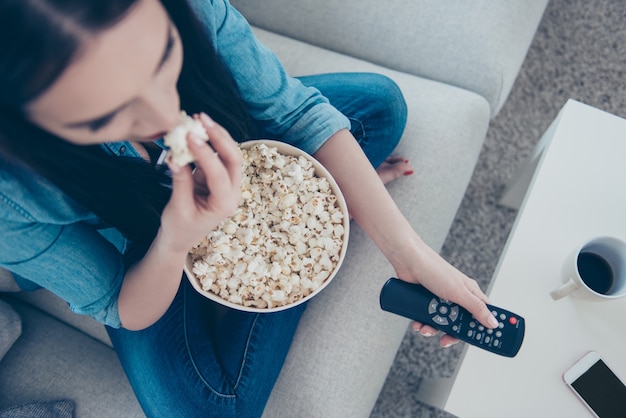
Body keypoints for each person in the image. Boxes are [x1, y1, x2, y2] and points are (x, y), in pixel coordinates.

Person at [0, 0, 499, 416]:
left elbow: (298, 112)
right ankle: (303, 233)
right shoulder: (10, 195)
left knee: (380, 105)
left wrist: (410, 254)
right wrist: (176, 242)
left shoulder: (190, 8)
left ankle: (304, 223)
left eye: (163, 55)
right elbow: (119, 303)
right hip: (136, 251)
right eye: (106, 115)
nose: (163, 114)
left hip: (244, 149)